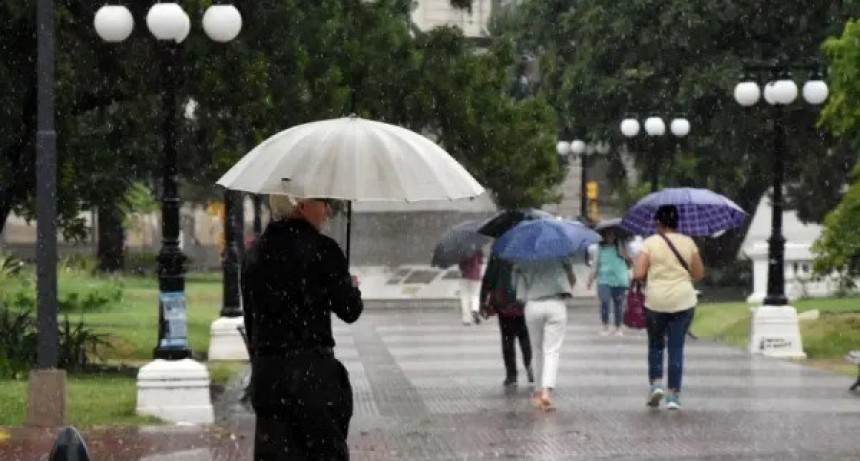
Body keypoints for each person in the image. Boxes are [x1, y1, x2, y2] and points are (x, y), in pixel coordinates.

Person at [242, 194, 363, 460]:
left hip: (270, 380)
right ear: (301, 204)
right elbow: (350, 311)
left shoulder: (256, 254)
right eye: (322, 202)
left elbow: (252, 322)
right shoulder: (323, 250)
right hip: (313, 381)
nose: (328, 210)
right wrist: (351, 288)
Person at [632, 205, 704, 411]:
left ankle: (656, 384)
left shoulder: (650, 243)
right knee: (676, 347)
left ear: (658, 223)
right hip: (683, 300)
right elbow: (699, 273)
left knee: (655, 344)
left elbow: (638, 273)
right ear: (676, 222)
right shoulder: (688, 242)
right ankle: (673, 395)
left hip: (656, 301)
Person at [513, 258, 576, 411]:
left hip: (533, 305)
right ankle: (547, 391)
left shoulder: (522, 260)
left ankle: (537, 391)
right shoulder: (560, 254)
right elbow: (572, 280)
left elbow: (518, 291)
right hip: (556, 304)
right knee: (552, 350)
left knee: (537, 350)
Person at [480, 255, 533, 387]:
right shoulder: (526, 249)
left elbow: (489, 277)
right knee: (524, 336)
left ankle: (511, 375)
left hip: (504, 301)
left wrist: (482, 299)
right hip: (522, 301)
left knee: (507, 338)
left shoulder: (499, 250)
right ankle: (530, 368)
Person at [587, 229, 631, 336]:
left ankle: (618, 327)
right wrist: (590, 280)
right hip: (604, 280)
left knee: (619, 304)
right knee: (604, 302)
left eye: (613, 235)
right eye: (608, 235)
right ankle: (605, 326)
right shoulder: (600, 248)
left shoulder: (622, 247)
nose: (611, 237)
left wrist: (626, 255)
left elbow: (629, 263)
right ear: (603, 236)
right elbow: (595, 265)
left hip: (620, 280)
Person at [458, 250, 484, 325]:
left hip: (464, 274)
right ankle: (475, 309)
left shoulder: (461, 248)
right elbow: (481, 261)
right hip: (476, 274)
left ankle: (466, 319)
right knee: (475, 294)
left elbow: (460, 262)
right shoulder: (478, 246)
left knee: (464, 296)